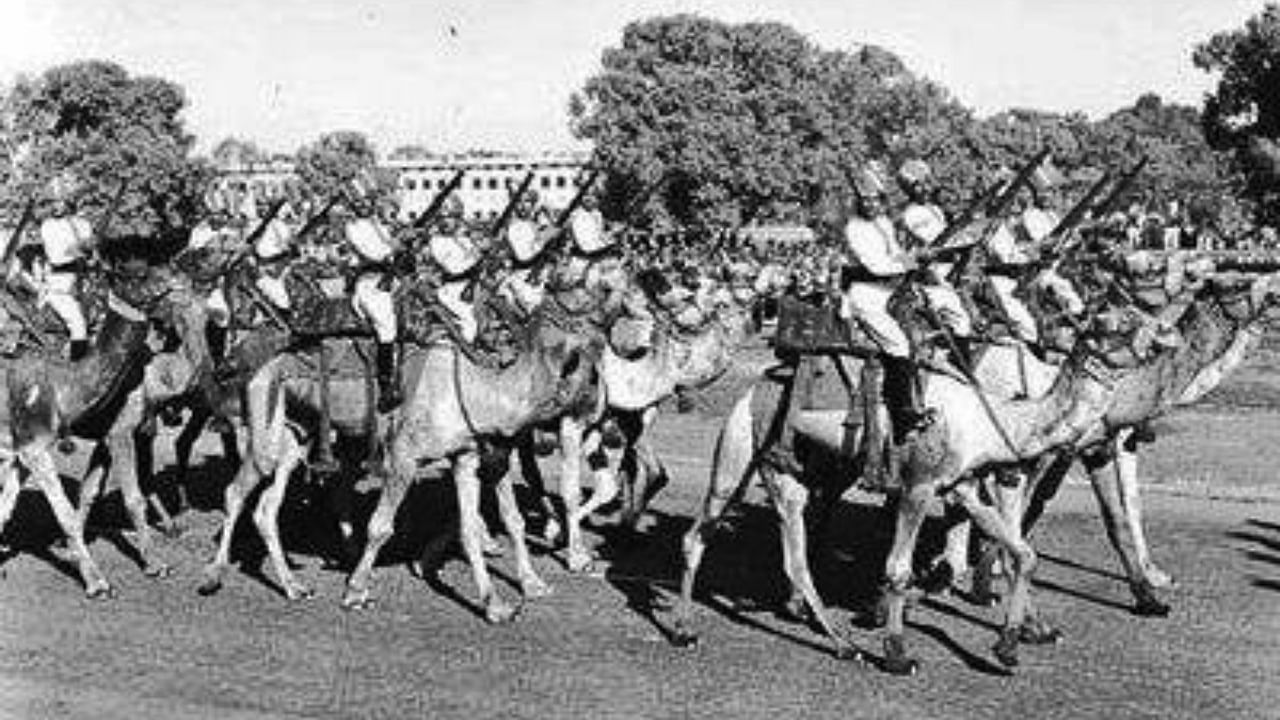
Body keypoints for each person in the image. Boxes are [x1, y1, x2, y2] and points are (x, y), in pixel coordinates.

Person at [840, 162, 933, 441]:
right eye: (864, 200)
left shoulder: (884, 224)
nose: (870, 205)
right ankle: (902, 416)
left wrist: (914, 258)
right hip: (865, 296)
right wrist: (910, 261)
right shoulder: (853, 228)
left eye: (875, 200)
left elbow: (896, 255)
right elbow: (877, 266)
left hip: (891, 294)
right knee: (899, 345)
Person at [896, 158, 975, 369]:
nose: (925, 189)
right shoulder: (911, 214)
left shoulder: (935, 210)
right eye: (918, 185)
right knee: (960, 319)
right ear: (910, 190)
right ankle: (957, 363)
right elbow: (936, 242)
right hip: (928, 275)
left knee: (968, 316)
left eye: (926, 183)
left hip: (947, 271)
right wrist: (959, 243)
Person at [343, 186, 404, 411]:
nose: (364, 205)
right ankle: (385, 385)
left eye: (367, 201)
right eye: (358, 202)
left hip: (391, 280)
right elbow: (373, 253)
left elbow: (396, 253)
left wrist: (406, 243)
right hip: (369, 284)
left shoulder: (379, 224)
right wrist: (394, 247)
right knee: (386, 326)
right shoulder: (352, 228)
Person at [39, 180, 94, 360]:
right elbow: (57, 257)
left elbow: (92, 257)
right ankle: (77, 366)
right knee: (78, 324)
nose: (55, 206)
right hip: (60, 284)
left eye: (59, 201)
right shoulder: (47, 226)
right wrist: (79, 249)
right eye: (52, 202)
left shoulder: (84, 224)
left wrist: (91, 251)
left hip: (85, 281)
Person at [428, 197, 482, 344]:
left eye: (450, 217)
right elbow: (455, 268)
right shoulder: (436, 241)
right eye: (441, 218)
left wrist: (484, 247)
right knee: (470, 325)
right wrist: (478, 252)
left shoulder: (465, 238)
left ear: (458, 218)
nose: (445, 222)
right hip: (452, 290)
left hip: (472, 286)